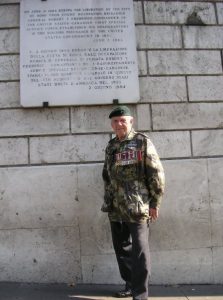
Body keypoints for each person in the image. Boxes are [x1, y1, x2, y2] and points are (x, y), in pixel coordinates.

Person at [101, 105, 165, 300]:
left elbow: (156, 173)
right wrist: (109, 199)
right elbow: (106, 174)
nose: (119, 124)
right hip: (115, 207)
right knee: (121, 249)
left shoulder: (142, 142)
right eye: (115, 121)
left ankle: (140, 294)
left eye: (122, 120)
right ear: (111, 125)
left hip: (138, 207)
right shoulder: (111, 146)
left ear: (131, 121)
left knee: (140, 252)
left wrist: (155, 203)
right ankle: (130, 285)